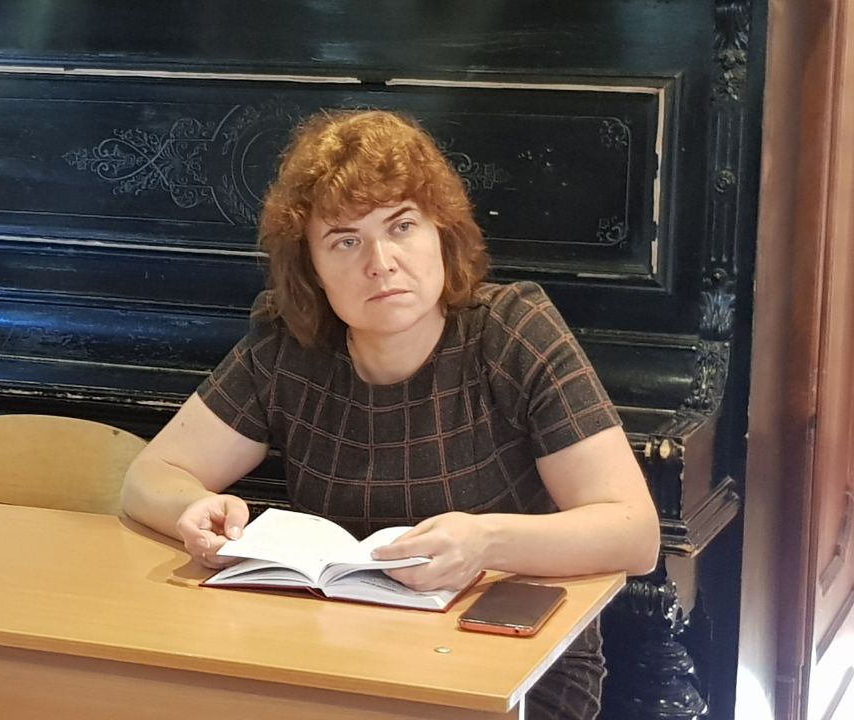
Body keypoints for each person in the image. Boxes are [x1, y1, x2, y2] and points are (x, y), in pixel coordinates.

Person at [120, 109, 659, 720]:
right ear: (312, 268)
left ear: (440, 233)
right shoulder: (289, 344)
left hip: (513, 668)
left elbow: (635, 534)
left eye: (402, 226)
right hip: (345, 658)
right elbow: (150, 476)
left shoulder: (512, 330)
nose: (380, 262)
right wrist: (192, 509)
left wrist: (487, 542)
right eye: (345, 241)